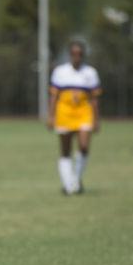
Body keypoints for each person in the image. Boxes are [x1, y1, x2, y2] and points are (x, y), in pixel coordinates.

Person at [47, 41, 101, 195]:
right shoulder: (60, 72)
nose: (77, 57)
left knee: (84, 147)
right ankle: (68, 184)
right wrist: (51, 116)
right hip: (64, 113)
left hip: (83, 112)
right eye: (74, 54)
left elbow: (94, 99)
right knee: (65, 150)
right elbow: (53, 96)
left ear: (83, 55)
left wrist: (96, 119)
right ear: (69, 55)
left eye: (80, 54)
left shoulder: (90, 72)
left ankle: (76, 180)